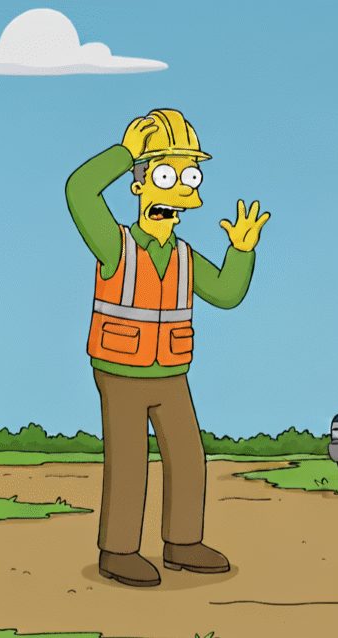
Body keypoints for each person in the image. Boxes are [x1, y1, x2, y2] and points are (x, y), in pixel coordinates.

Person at [65, 109, 270, 587]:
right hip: (119, 368)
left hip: (171, 372)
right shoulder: (115, 244)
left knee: (188, 454)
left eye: (189, 174)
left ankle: (183, 542)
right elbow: (79, 191)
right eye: (167, 173)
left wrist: (241, 251)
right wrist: (124, 153)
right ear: (139, 184)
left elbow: (225, 293)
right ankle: (117, 552)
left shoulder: (182, 254)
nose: (182, 185)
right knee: (130, 459)